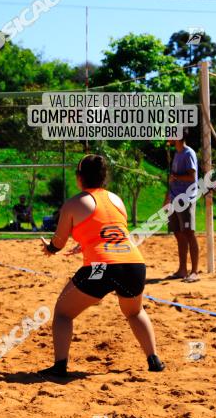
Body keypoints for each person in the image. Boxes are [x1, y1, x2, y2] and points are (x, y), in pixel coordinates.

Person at [39, 154, 165, 377]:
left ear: (80, 178)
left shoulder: (74, 203)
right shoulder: (117, 200)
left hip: (102, 267)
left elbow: (59, 242)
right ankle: (153, 359)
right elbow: (111, 232)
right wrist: (84, 244)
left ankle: (59, 367)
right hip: (133, 264)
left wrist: (50, 249)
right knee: (135, 312)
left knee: (62, 313)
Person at [166, 130, 200, 283]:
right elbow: (173, 178)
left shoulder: (188, 153)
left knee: (189, 234)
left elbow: (192, 177)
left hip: (186, 200)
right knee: (179, 235)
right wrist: (167, 198)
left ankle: (194, 272)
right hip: (174, 199)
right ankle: (182, 270)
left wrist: (176, 177)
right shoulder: (177, 153)